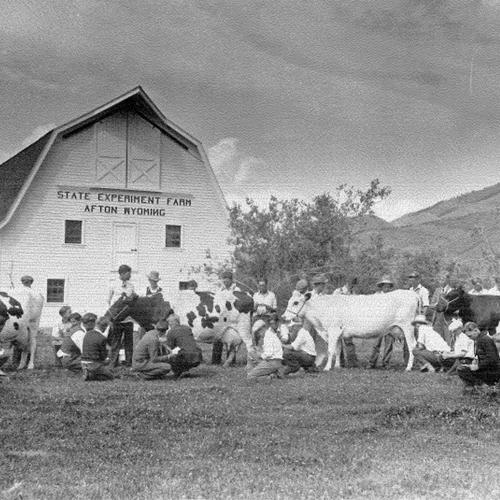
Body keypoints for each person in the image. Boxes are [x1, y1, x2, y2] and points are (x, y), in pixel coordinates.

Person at [213, 271, 251, 364]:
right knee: (218, 337)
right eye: (224, 279)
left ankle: (230, 361)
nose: (225, 281)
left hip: (234, 318)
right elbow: (215, 303)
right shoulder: (219, 291)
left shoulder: (237, 290)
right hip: (222, 317)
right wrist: (217, 310)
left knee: (232, 338)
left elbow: (240, 303)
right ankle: (216, 360)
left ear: (231, 280)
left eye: (227, 279)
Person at [457, 322, 500, 395]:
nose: (470, 338)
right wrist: (474, 362)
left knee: (462, 369)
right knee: (462, 367)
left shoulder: (484, 340)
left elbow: (493, 359)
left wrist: (478, 366)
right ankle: (475, 389)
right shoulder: (479, 340)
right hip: (487, 369)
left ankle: (485, 388)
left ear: (476, 330)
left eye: (470, 335)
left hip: (493, 371)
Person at [108, 264, 135, 367]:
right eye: (129, 274)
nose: (130, 276)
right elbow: (108, 300)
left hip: (128, 319)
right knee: (116, 341)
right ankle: (113, 363)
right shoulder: (113, 284)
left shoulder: (131, 286)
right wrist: (112, 316)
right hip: (117, 319)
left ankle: (129, 363)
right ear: (122, 274)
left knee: (129, 342)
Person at [81, 314, 114, 381]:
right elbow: (103, 357)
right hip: (94, 364)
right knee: (110, 376)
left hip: (83, 363)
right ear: (104, 327)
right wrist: (108, 359)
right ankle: (92, 375)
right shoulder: (102, 338)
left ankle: (89, 373)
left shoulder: (87, 334)